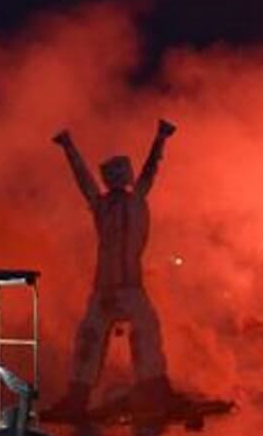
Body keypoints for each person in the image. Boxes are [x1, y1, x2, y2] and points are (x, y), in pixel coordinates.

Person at [51, 118, 176, 418]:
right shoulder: (108, 204)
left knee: (141, 331)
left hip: (125, 287)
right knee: (91, 336)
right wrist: (69, 149)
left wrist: (160, 139)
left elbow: (147, 172)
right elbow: (86, 180)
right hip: (111, 288)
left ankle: (153, 389)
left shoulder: (122, 202)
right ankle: (80, 395)